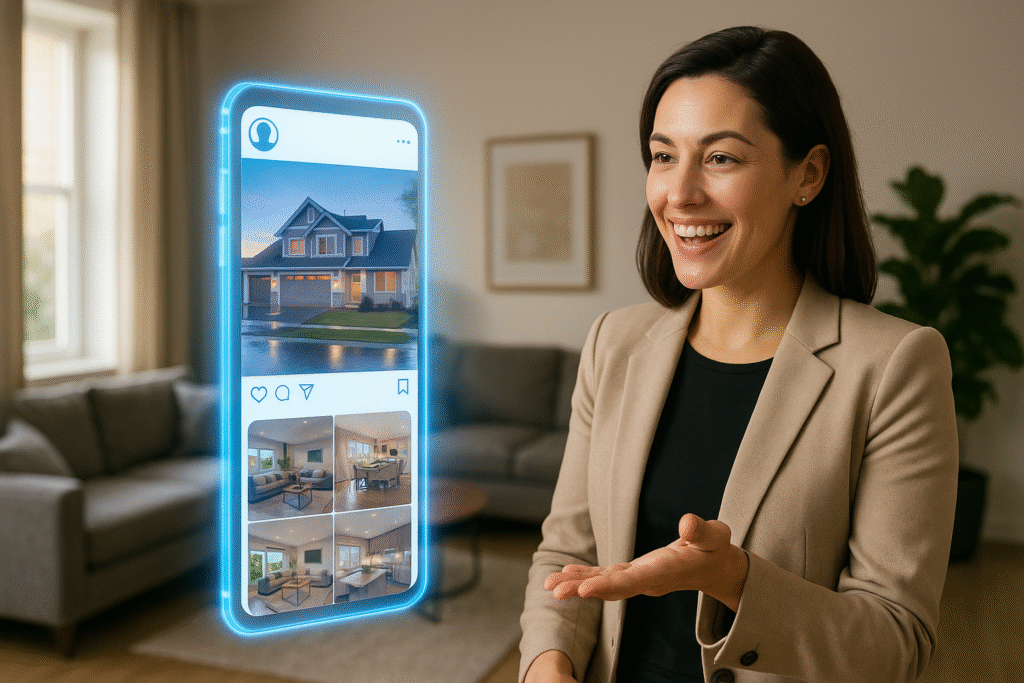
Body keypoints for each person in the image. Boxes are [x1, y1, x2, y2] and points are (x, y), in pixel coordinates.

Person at [518, 26, 958, 683]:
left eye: (721, 158)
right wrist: (546, 666)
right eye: (663, 156)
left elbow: (896, 642)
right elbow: (567, 552)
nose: (681, 193)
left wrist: (737, 580)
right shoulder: (616, 341)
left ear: (807, 174)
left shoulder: (896, 366)